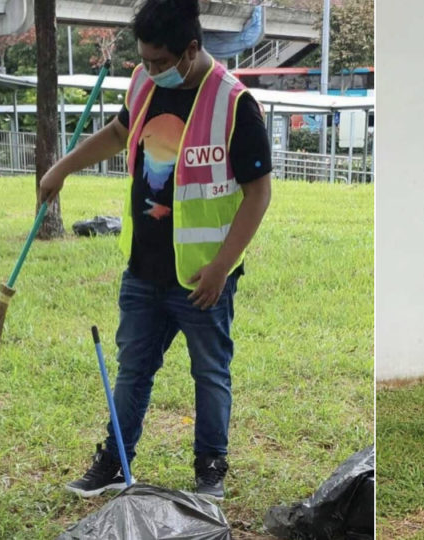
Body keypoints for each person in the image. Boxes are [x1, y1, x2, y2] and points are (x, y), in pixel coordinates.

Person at [38, 0, 272, 500]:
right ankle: (116, 462)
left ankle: (211, 467)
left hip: (202, 279)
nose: (150, 71)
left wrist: (220, 269)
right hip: (143, 269)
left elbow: (258, 193)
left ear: (191, 49)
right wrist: (63, 167)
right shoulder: (145, 83)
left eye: (160, 62)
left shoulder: (234, 104)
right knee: (133, 369)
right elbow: (120, 133)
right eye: (143, 60)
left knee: (210, 373)